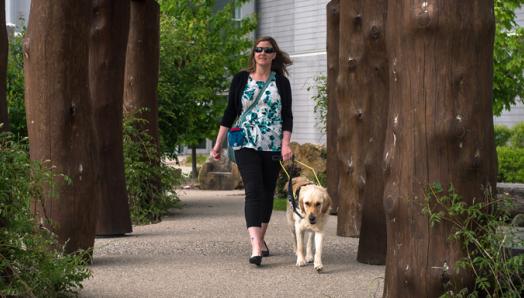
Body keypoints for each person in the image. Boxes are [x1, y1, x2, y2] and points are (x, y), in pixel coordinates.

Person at [210, 36, 293, 266]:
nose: (262, 53)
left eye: (267, 50)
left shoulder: (281, 83)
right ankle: (255, 246)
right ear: (253, 53)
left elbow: (287, 116)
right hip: (246, 141)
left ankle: (261, 239)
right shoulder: (240, 80)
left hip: (273, 143)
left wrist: (286, 143)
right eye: (258, 49)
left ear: (274, 55)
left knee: (267, 192)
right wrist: (218, 144)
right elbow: (229, 113)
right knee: (253, 189)